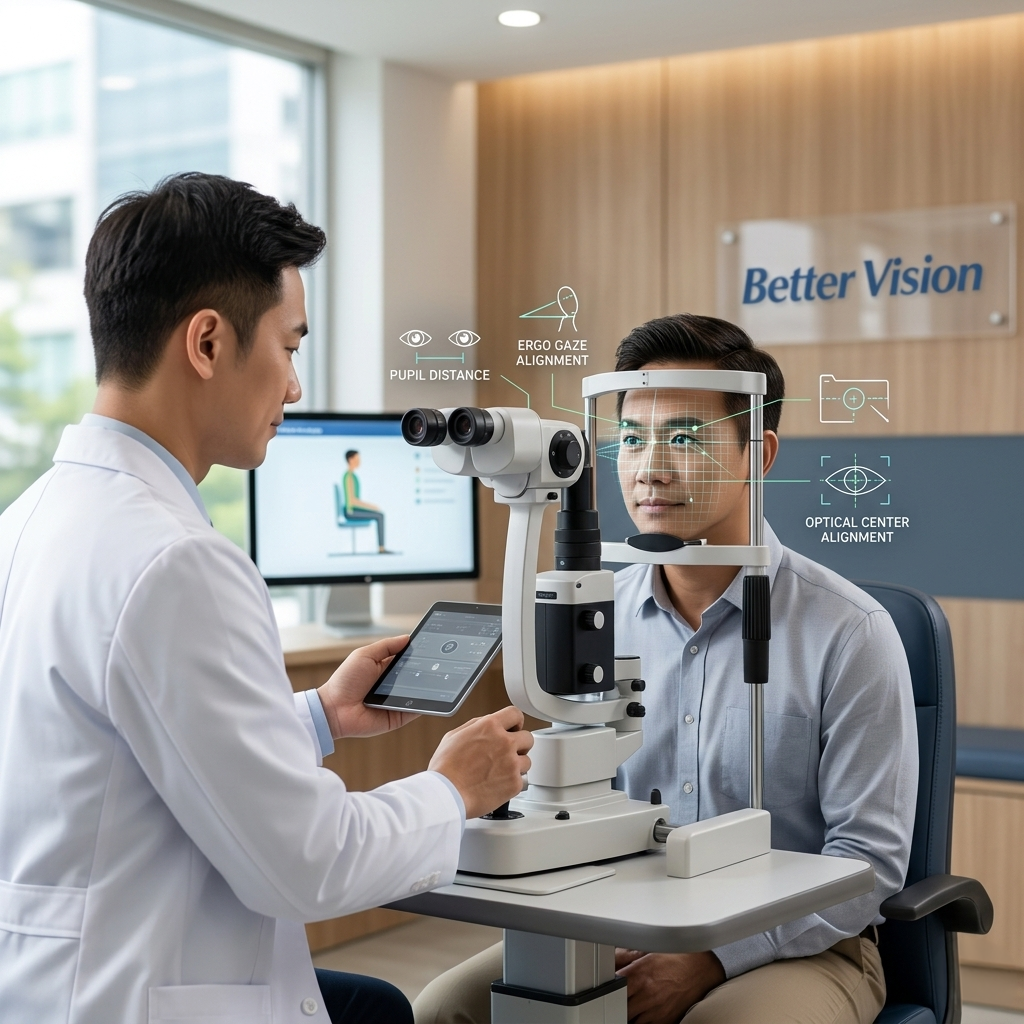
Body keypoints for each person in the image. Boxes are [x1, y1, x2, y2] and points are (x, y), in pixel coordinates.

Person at [0, 173, 533, 1024]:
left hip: (47, 982)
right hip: (142, 995)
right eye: (289, 347)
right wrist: (452, 789)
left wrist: (318, 716)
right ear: (207, 343)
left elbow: (113, 755)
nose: (292, 386)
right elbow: (307, 865)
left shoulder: (29, 520)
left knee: (375, 1006)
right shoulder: (178, 562)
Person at [413, 314, 918, 1024]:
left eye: (684, 438)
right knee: (445, 1010)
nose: (650, 466)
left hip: (802, 944)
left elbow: (868, 861)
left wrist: (714, 957)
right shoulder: (597, 611)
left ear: (758, 454)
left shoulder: (849, 633)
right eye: (632, 440)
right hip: (617, 919)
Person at [341, 449, 388, 552]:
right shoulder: (348, 477)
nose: (359, 461)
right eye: (357, 459)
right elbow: (353, 501)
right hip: (350, 511)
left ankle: (381, 548)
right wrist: (372, 507)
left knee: (379, 514)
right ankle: (381, 549)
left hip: (353, 509)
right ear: (350, 459)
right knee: (379, 516)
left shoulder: (352, 476)